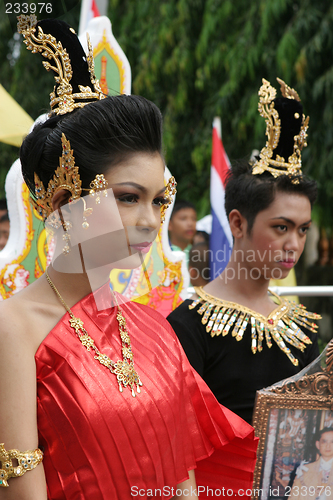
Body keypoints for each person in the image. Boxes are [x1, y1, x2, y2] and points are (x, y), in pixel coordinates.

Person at [0, 16, 257, 500]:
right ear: (61, 203)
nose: (150, 219)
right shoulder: (12, 328)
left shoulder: (155, 328)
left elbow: (183, 476)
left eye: (159, 200)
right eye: (127, 197)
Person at [167, 78, 320, 425]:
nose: (294, 244)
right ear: (237, 224)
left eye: (303, 230)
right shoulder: (187, 327)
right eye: (281, 227)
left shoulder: (301, 327)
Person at [290, 428, 333, 499]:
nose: (328, 446)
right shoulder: (304, 471)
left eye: (332, 442)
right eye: (324, 442)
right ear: (318, 444)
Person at [168, 200, 197, 265]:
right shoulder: (162, 253)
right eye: (183, 219)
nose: (190, 224)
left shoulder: (202, 252)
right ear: (169, 224)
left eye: (194, 219)